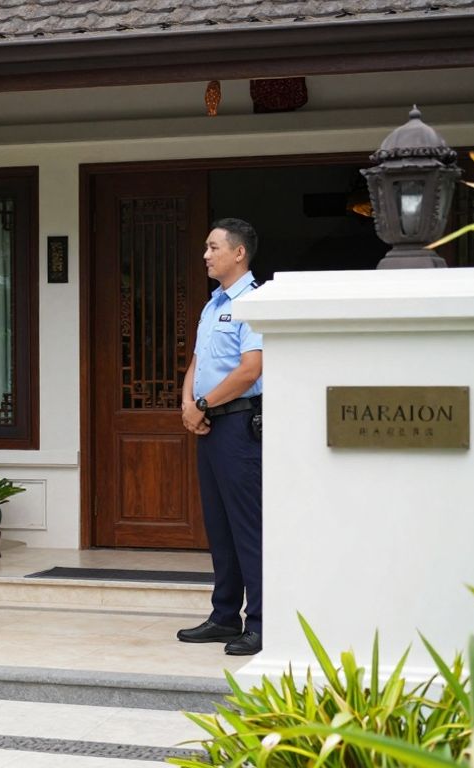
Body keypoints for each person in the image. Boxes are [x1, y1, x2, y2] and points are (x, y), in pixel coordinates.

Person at [177, 218, 265, 657]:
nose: (206, 255)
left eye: (213, 247)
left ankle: (262, 622)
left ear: (238, 253)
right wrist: (187, 404)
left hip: (238, 426)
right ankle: (224, 615)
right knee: (220, 526)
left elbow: (251, 369)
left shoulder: (255, 302)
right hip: (209, 424)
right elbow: (196, 361)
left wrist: (204, 405)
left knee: (248, 525)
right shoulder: (212, 305)